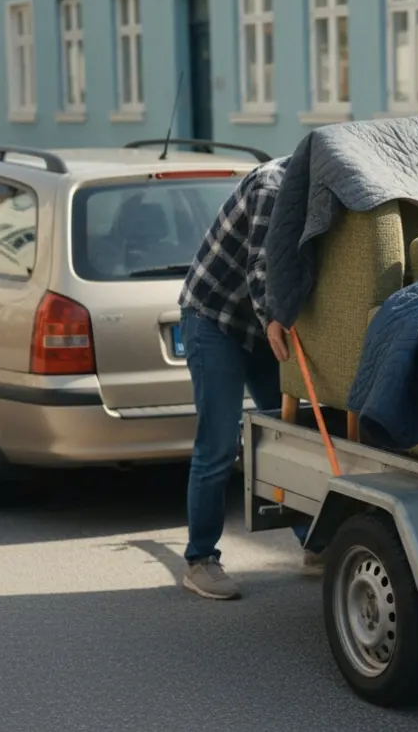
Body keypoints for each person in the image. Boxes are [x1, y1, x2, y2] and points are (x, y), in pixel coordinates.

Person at [176, 155, 306, 601]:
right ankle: (200, 560)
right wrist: (274, 317)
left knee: (289, 435)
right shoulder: (273, 186)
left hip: (255, 321)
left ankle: (316, 542)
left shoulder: (322, 192)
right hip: (214, 318)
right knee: (218, 442)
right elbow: (262, 264)